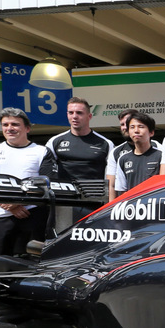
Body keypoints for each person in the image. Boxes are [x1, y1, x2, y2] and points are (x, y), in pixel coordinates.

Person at [0, 108, 57, 259]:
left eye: (15, 124)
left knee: (32, 265)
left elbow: (48, 184)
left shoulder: (41, 151)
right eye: (5, 125)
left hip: (31, 215)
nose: (9, 128)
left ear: (27, 128)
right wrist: (8, 203)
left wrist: (18, 203)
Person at [47, 97, 112, 230]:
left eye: (79, 113)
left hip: (95, 202)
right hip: (64, 203)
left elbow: (112, 178)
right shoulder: (55, 142)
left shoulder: (106, 143)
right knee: (63, 242)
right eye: (71, 113)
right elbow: (46, 172)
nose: (74, 116)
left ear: (89, 116)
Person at [112, 112, 165, 199]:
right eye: (132, 127)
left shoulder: (162, 156)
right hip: (132, 208)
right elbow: (122, 191)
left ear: (151, 132)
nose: (136, 130)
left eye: (141, 126)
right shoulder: (123, 159)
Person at [104, 108, 139, 198]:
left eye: (127, 123)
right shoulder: (115, 152)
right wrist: (111, 209)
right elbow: (111, 185)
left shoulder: (157, 147)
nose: (124, 127)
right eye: (122, 124)